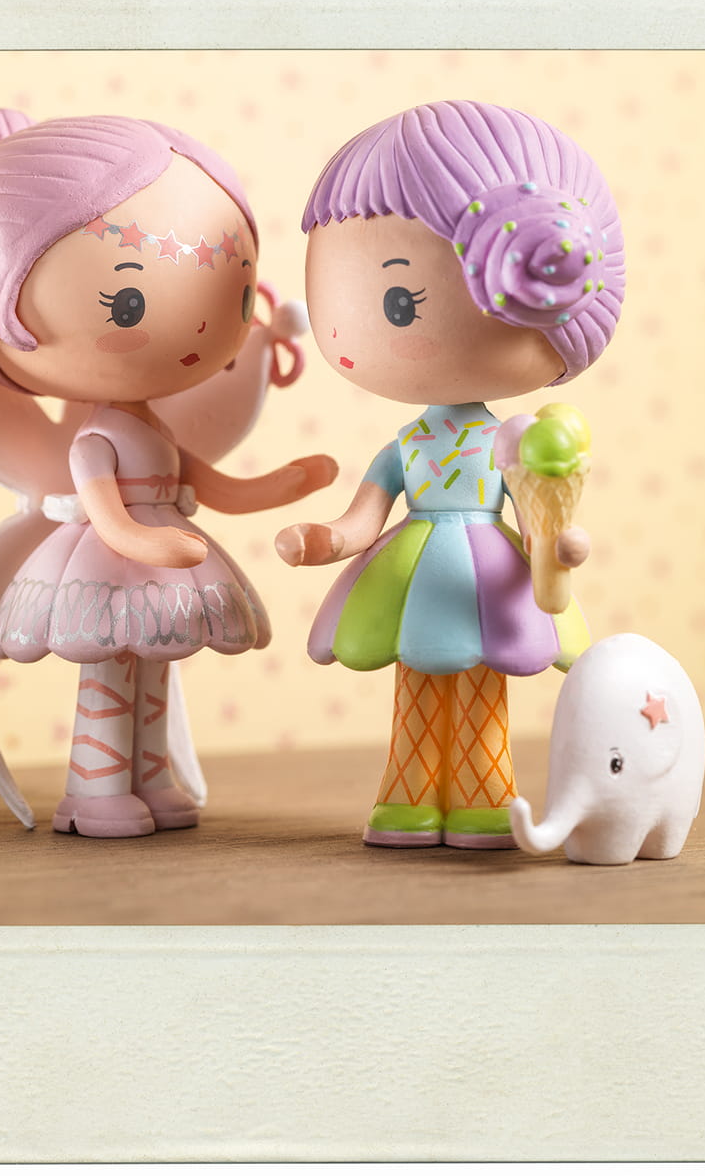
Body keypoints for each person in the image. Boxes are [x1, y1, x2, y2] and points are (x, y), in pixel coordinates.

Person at [0, 108, 335, 837]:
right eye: (127, 301)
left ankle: (153, 776)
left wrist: (282, 484)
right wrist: (146, 542)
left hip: (161, 562)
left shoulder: (158, 429)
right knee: (108, 669)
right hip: (108, 566)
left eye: (233, 297)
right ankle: (94, 786)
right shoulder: (96, 438)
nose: (198, 325)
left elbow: (210, 486)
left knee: (155, 669)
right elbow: (104, 507)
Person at [276, 99, 625, 849]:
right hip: (413, 573)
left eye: (398, 301)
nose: (346, 327)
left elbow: (536, 515)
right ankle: (405, 797)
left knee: (479, 689)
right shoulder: (407, 444)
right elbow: (364, 517)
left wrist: (555, 546)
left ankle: (483, 796)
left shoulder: (513, 441)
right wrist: (326, 540)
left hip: (486, 578)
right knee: (417, 684)